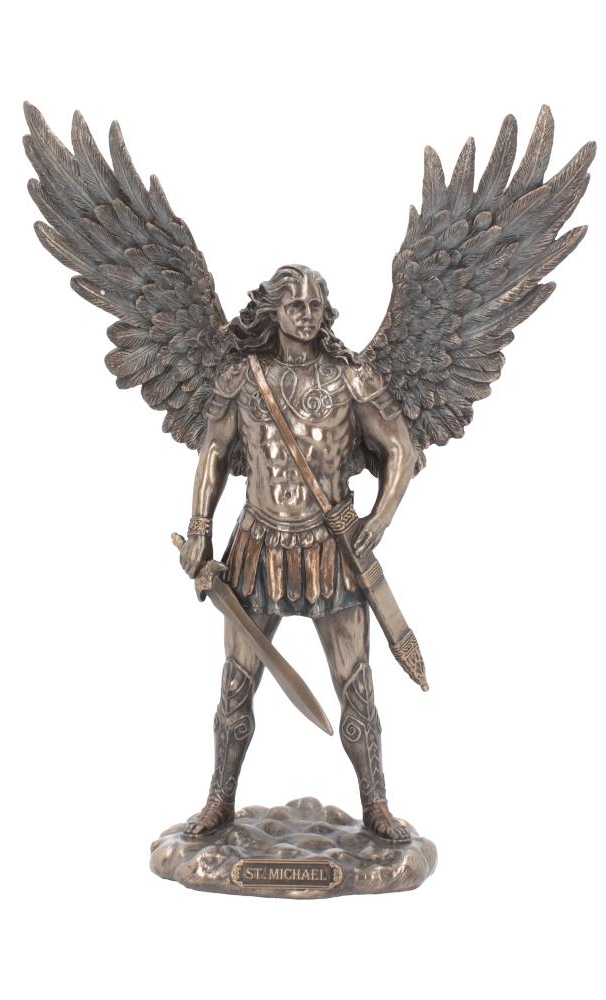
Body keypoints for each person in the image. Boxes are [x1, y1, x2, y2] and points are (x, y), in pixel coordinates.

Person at [177, 264, 417, 842]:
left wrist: (379, 519)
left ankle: (376, 804)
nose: (307, 315)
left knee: (355, 684)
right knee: (237, 683)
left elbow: (400, 449)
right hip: (257, 546)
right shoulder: (242, 378)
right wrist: (201, 527)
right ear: (275, 312)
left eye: (315, 305)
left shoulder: (351, 379)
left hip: (331, 547)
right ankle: (219, 800)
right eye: (295, 306)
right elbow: (214, 453)